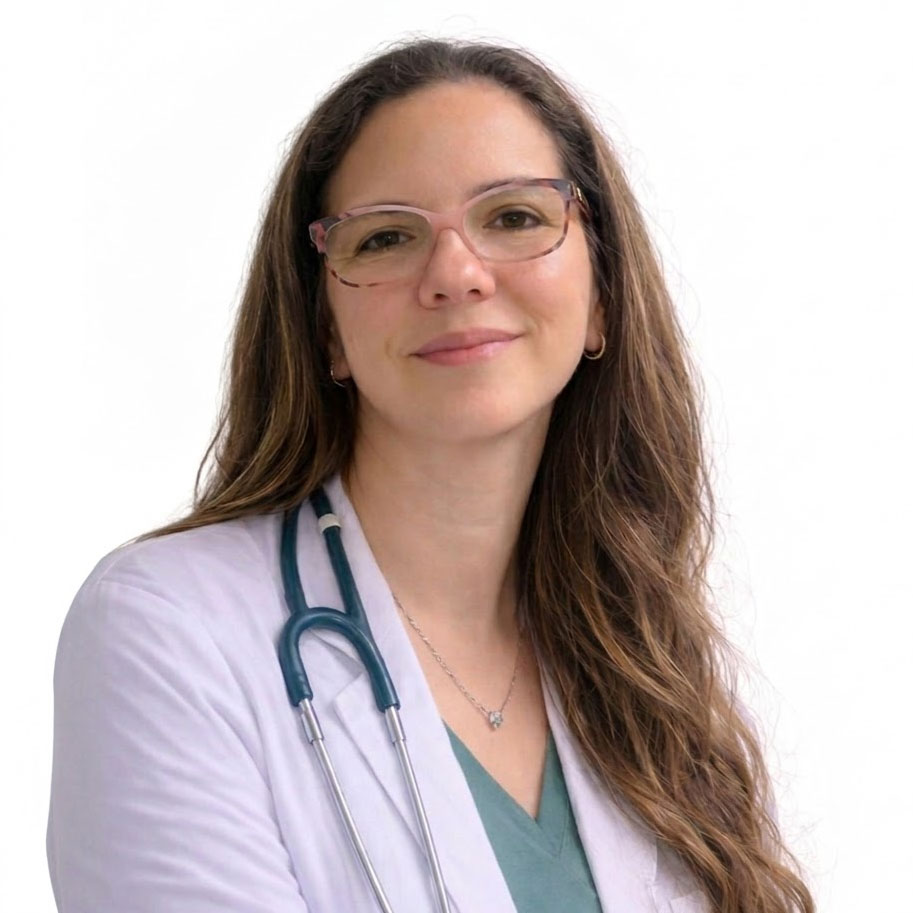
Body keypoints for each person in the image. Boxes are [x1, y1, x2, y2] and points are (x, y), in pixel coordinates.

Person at [46, 37, 815, 913]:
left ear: (601, 295)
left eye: (515, 217)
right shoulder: (170, 634)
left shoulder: (651, 668)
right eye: (385, 237)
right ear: (326, 329)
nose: (455, 273)